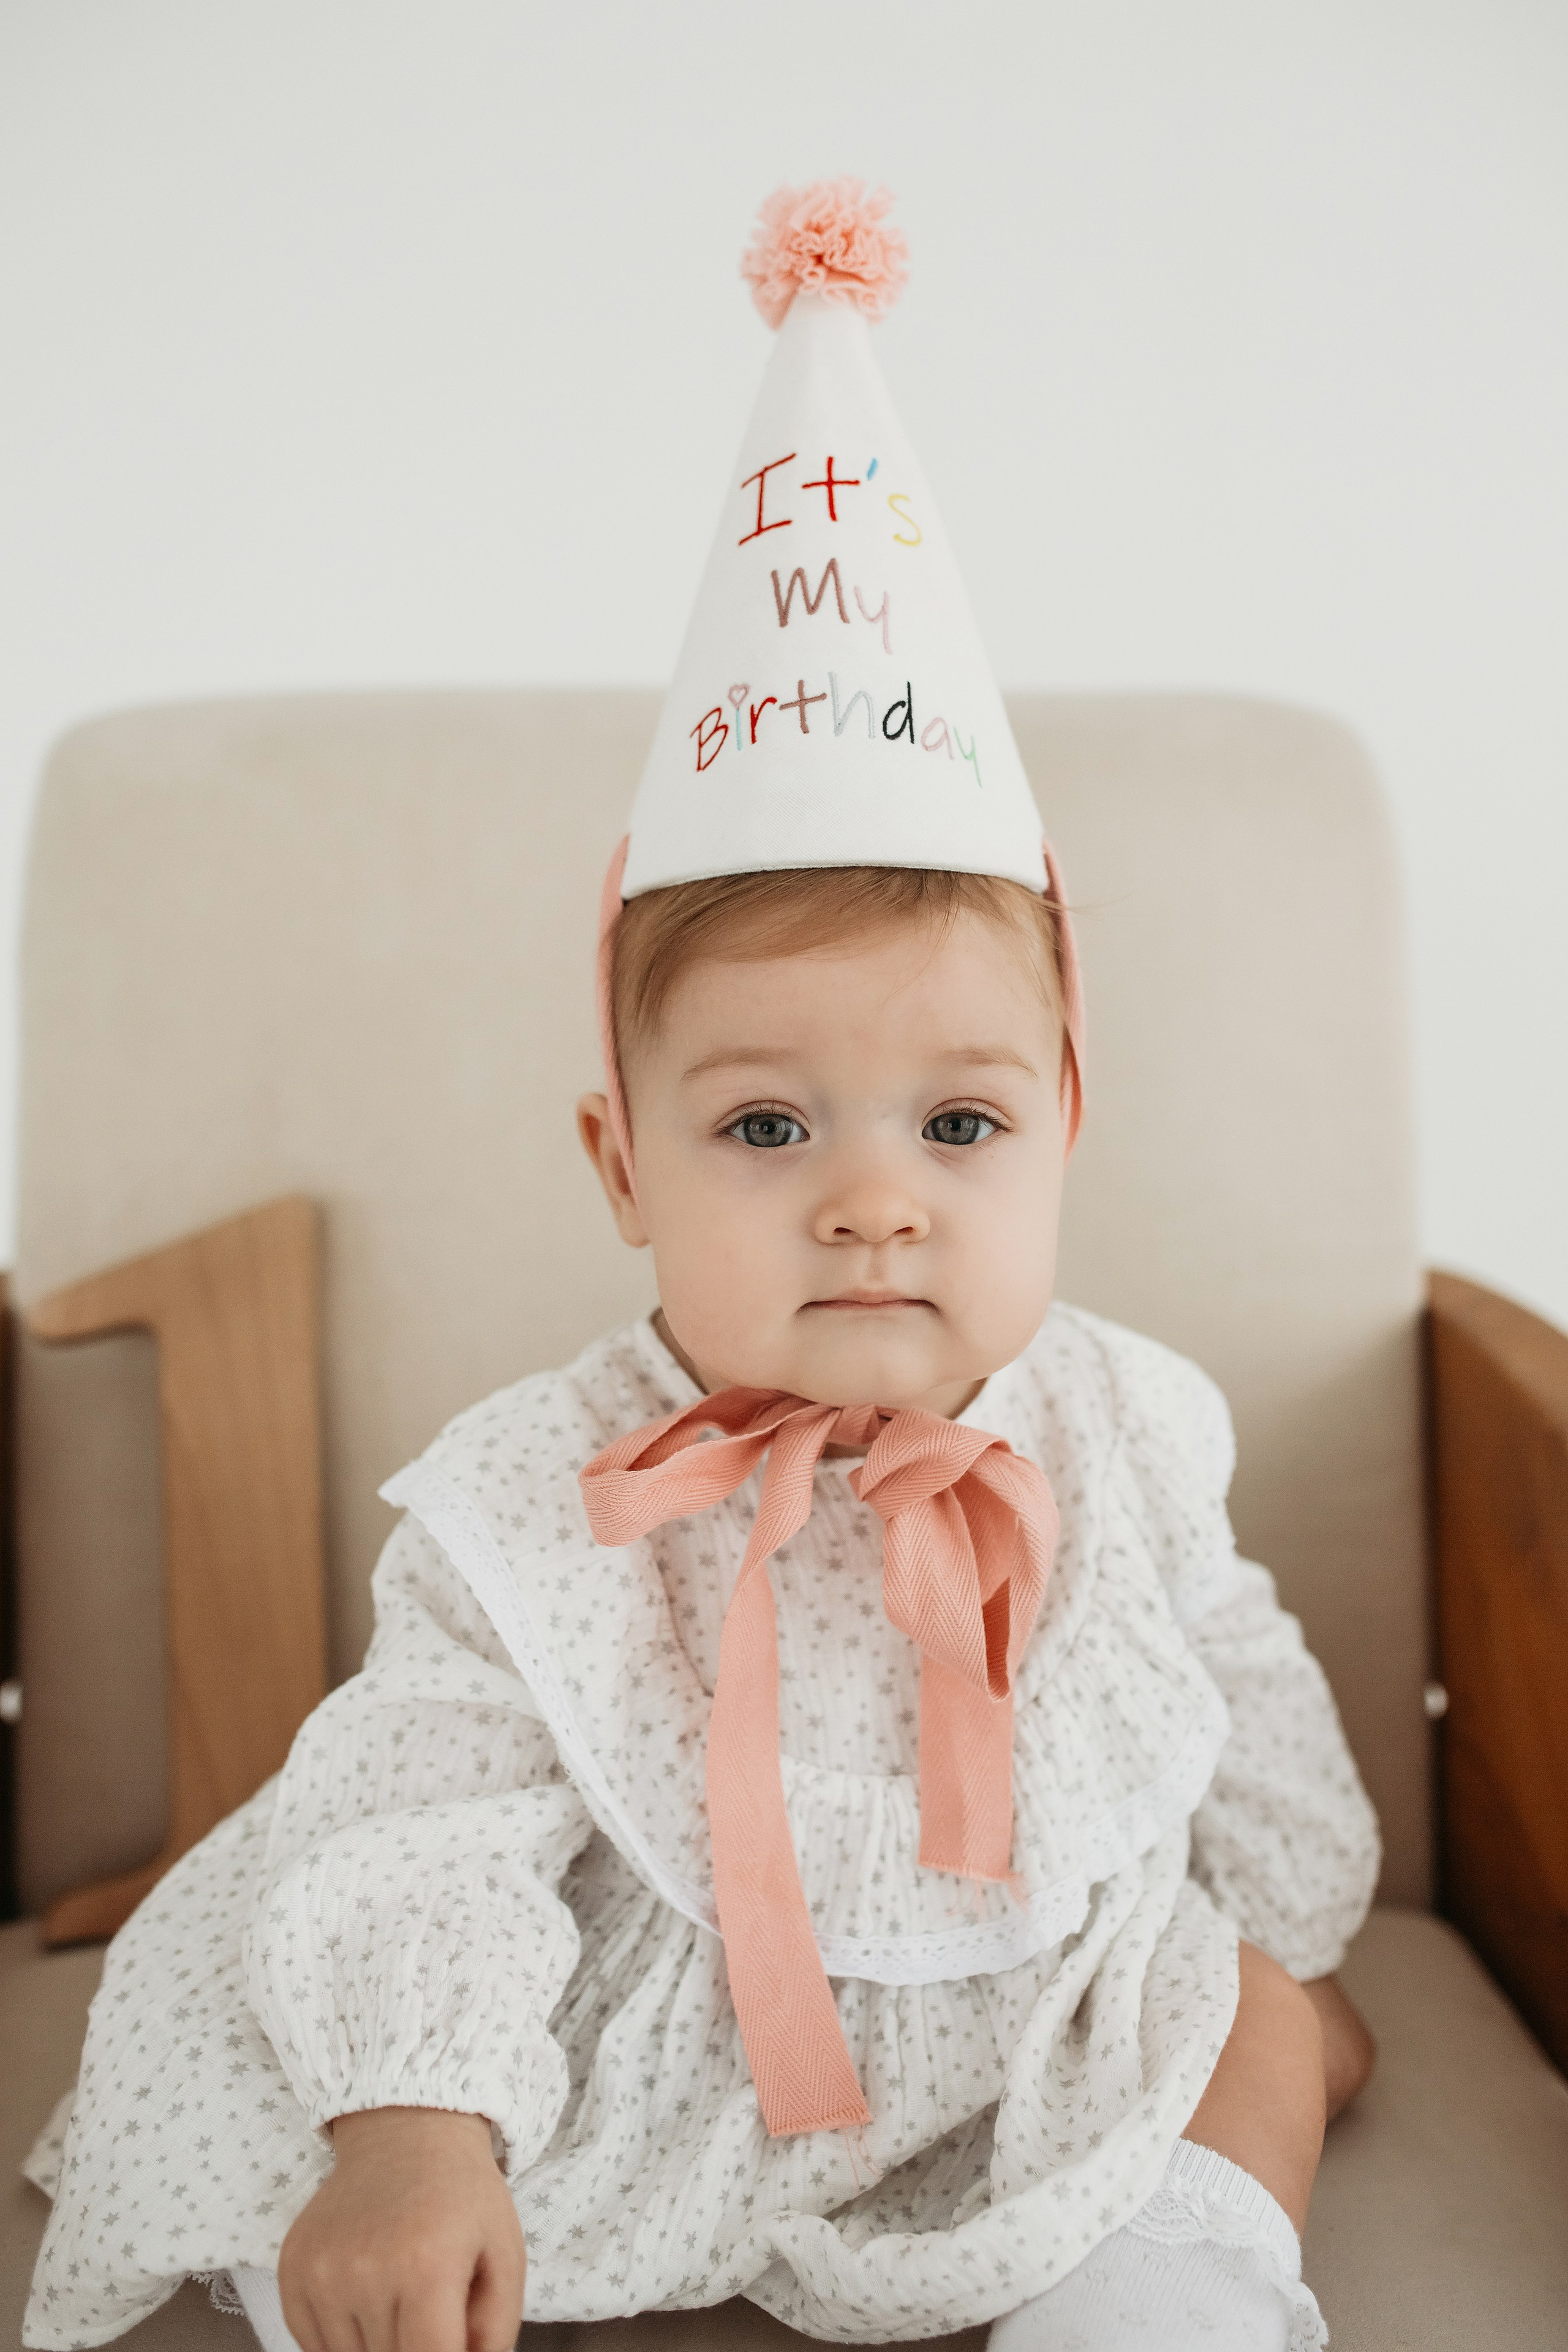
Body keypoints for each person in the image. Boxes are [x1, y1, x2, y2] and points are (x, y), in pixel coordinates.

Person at [24, 179, 1378, 2352]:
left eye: (960, 1127)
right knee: (365, 2157)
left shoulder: (1127, 1418)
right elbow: (426, 1809)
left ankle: (1166, 2288)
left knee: (1248, 2020)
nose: (874, 1202)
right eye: (766, 1128)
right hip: (645, 2045)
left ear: (1064, 1133)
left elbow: (1236, 1676)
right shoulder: (548, 1486)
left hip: (1030, 2002)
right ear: (622, 1165)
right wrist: (418, 2126)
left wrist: (1292, 1950)